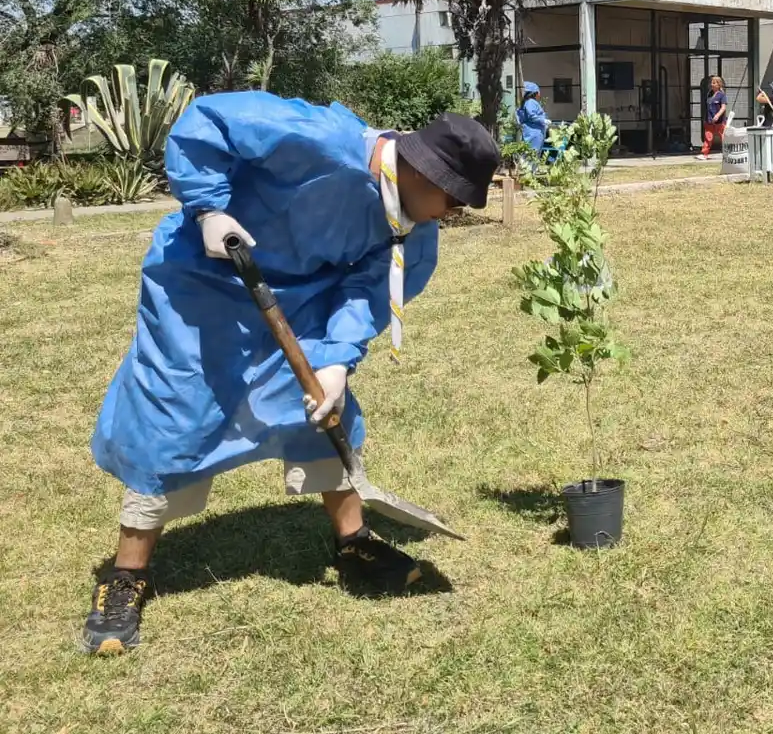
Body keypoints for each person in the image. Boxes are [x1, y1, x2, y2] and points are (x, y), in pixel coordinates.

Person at [83, 93, 499, 655]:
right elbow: (209, 122)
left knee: (324, 413)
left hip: (300, 301)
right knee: (173, 412)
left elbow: (365, 291)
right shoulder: (318, 138)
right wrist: (208, 209)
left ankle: (355, 543)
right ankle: (125, 575)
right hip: (202, 283)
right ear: (420, 171)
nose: (450, 214)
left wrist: (334, 360)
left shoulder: (411, 229)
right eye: (451, 200)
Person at [697, 75, 729, 160]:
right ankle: (704, 154)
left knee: (723, 136)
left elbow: (723, 107)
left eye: (714, 83)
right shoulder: (709, 94)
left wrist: (718, 115)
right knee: (708, 137)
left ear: (718, 85)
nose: (712, 84)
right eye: (711, 83)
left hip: (719, 121)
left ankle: (727, 153)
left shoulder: (722, 95)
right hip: (709, 120)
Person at [516, 80, 551, 152]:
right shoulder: (531, 102)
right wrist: (543, 121)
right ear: (535, 93)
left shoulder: (528, 102)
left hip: (533, 132)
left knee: (531, 154)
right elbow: (532, 116)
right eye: (539, 92)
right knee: (533, 154)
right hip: (534, 133)